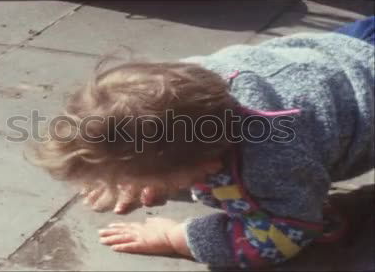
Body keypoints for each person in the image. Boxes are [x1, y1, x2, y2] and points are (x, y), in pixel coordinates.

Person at [27, 16, 374, 269]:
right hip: (341, 49)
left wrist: (177, 239)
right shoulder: (184, 85)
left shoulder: (272, 162)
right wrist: (138, 167)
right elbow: (149, 128)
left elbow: (285, 231)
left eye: (130, 179)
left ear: (207, 166)